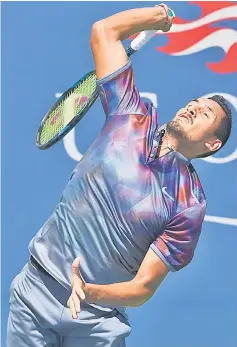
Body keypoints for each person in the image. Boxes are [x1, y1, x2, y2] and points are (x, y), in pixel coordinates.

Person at [7, 4, 232, 347]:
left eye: (205, 113)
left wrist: (89, 292)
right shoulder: (130, 115)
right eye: (194, 102)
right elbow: (104, 32)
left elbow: (143, 287)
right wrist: (155, 17)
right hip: (34, 293)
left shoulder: (189, 205)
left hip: (98, 321)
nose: (192, 107)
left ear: (212, 143)